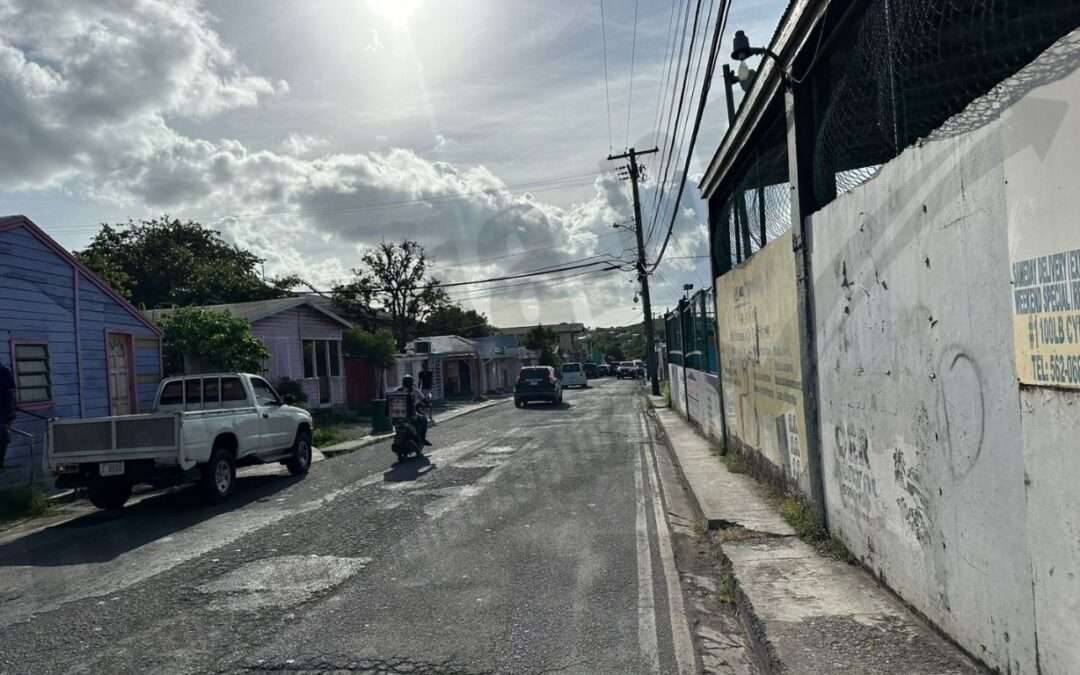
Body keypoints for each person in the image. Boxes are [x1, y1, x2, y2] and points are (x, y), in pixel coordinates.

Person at [393, 374, 431, 446]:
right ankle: (422, 438)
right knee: (424, 419)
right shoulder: (414, 390)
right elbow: (423, 399)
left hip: (397, 415)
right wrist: (428, 404)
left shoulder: (396, 390)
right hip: (410, 414)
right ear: (411, 382)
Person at [0, 363, 15, 470]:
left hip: (3, 413)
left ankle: (0, 463)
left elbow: (11, 395)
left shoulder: (4, 372)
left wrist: (9, 414)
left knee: (3, 436)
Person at [418, 362, 435, 426]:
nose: (425, 368)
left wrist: (431, 389)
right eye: (424, 367)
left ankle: (429, 415)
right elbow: (420, 382)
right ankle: (426, 415)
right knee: (425, 402)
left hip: (427, 389)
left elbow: (431, 381)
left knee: (428, 402)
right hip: (424, 389)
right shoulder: (421, 373)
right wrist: (419, 389)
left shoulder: (429, 373)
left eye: (425, 367)